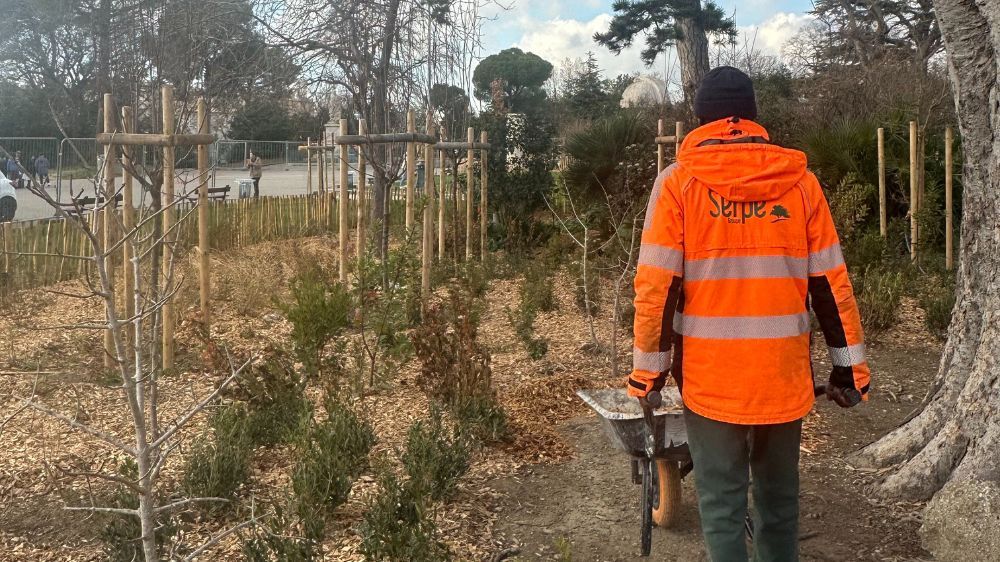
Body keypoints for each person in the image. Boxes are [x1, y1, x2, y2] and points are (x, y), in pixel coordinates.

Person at [627, 66, 871, 562]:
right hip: (782, 377)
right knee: (779, 505)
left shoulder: (677, 186)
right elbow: (831, 285)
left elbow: (656, 289)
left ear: (701, 118)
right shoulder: (801, 184)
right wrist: (850, 369)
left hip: (713, 382)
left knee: (720, 506)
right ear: (755, 116)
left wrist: (647, 375)